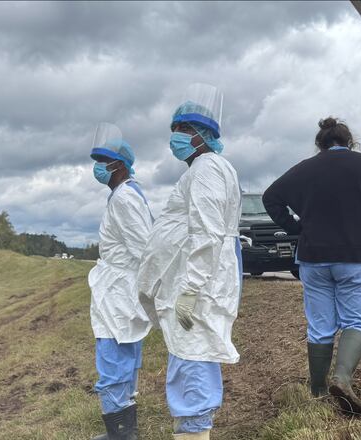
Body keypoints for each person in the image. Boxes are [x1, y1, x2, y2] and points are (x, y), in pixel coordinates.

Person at [262, 117, 361, 415]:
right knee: (357, 321)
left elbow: (271, 197)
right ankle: (342, 379)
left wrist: (294, 227)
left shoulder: (304, 169)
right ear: (349, 142)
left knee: (320, 327)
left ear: (320, 144)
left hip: (313, 257)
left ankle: (317, 391)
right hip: (357, 254)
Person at [137, 84, 242, 440]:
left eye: (184, 130)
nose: (176, 138)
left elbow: (207, 232)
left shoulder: (208, 168)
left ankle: (195, 433)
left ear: (204, 135)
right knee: (188, 358)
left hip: (198, 285)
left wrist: (191, 287)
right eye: (175, 130)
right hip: (192, 281)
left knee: (193, 360)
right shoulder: (201, 169)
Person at [88, 123, 154, 440]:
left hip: (118, 291)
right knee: (122, 355)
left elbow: (143, 248)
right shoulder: (123, 196)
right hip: (119, 288)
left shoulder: (125, 199)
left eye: (104, 163)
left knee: (113, 358)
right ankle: (123, 427)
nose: (98, 169)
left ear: (120, 166)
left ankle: (120, 432)